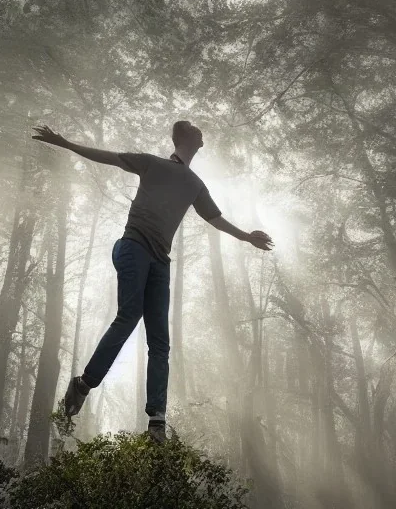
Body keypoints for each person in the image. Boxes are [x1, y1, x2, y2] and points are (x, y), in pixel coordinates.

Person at [31, 121, 273, 443]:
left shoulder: (195, 185)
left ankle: (156, 423)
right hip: (133, 247)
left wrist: (246, 237)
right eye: (198, 131)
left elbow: (214, 219)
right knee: (129, 316)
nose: (203, 134)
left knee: (160, 342)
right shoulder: (151, 163)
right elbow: (109, 157)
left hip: (160, 261)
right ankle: (84, 384)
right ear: (187, 138)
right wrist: (66, 143)